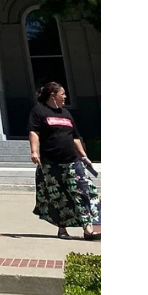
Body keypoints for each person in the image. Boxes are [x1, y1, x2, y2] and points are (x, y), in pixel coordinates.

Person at [28, 81, 100, 240]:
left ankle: (88, 230)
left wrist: (84, 156)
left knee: (82, 191)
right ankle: (62, 230)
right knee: (58, 196)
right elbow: (34, 132)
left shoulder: (66, 114)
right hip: (51, 163)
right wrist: (34, 151)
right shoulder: (39, 111)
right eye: (63, 94)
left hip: (73, 161)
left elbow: (75, 137)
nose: (65, 97)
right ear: (53, 96)